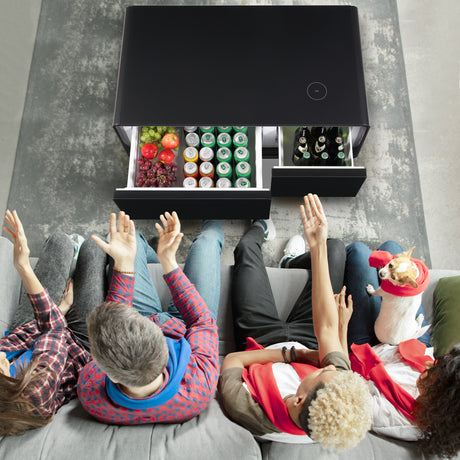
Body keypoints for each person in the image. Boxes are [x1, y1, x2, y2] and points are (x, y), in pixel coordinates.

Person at [219, 194, 372, 451]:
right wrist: (317, 245)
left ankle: (260, 228)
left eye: (323, 372)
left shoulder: (249, 412)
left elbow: (232, 360)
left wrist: (295, 355)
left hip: (260, 338)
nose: (330, 367)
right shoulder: (338, 387)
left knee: (246, 249)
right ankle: (290, 262)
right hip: (307, 335)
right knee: (334, 248)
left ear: (299, 399)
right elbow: (325, 330)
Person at [77, 210, 224, 425]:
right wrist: (169, 263)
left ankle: (150, 256)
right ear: (165, 348)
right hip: (185, 327)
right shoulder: (198, 384)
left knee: (130, 240)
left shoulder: (90, 393)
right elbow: (202, 322)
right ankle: (216, 207)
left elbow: (116, 322)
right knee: (207, 242)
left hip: (141, 318)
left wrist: (125, 265)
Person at [345, 240, 460, 458]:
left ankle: (291, 260)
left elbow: (349, 390)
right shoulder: (443, 373)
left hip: (367, 349)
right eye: (438, 364)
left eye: (432, 374)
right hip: (411, 341)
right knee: (395, 250)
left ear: (441, 401)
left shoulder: (395, 419)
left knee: (359, 252)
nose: (430, 364)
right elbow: (428, 359)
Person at [0, 210, 107, 436]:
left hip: (30, 331)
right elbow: (56, 328)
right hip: (77, 347)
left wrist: (57, 310)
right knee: (94, 247)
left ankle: (68, 254)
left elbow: (22, 336)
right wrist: (23, 267)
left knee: (59, 241)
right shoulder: (34, 394)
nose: (1, 355)